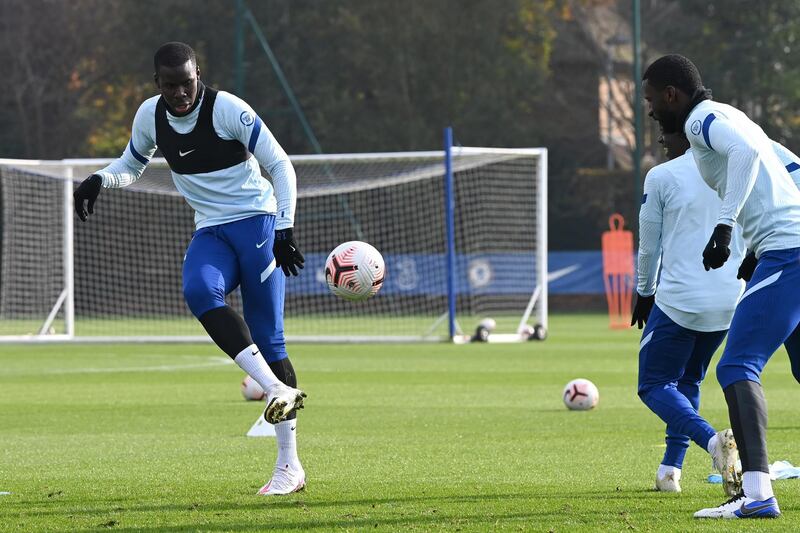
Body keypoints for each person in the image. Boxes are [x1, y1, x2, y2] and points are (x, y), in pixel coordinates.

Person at [73, 42, 308, 496]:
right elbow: (131, 164)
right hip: (212, 231)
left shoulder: (228, 110)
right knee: (199, 292)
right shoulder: (150, 116)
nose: (181, 92)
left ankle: (289, 466)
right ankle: (275, 390)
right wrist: (101, 177)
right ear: (156, 84)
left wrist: (284, 226)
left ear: (198, 73)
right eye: (170, 85)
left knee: (270, 339)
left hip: (257, 223)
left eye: (187, 82)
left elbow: (279, 164)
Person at [643, 53, 800, 519]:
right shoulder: (735, 117)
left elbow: (748, 156)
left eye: (652, 100)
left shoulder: (699, 121)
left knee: (736, 367)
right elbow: (792, 167)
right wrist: (754, 246)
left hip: (788, 253)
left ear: (673, 94)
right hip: (784, 248)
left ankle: (756, 495)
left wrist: (728, 227)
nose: (651, 110)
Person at [632, 125, 745, 496]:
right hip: (728, 303)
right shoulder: (738, 171)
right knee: (688, 381)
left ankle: (713, 443)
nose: (661, 138)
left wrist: (644, 292)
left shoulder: (662, 175)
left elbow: (649, 247)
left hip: (680, 301)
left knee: (653, 384)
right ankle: (669, 472)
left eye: (666, 129)